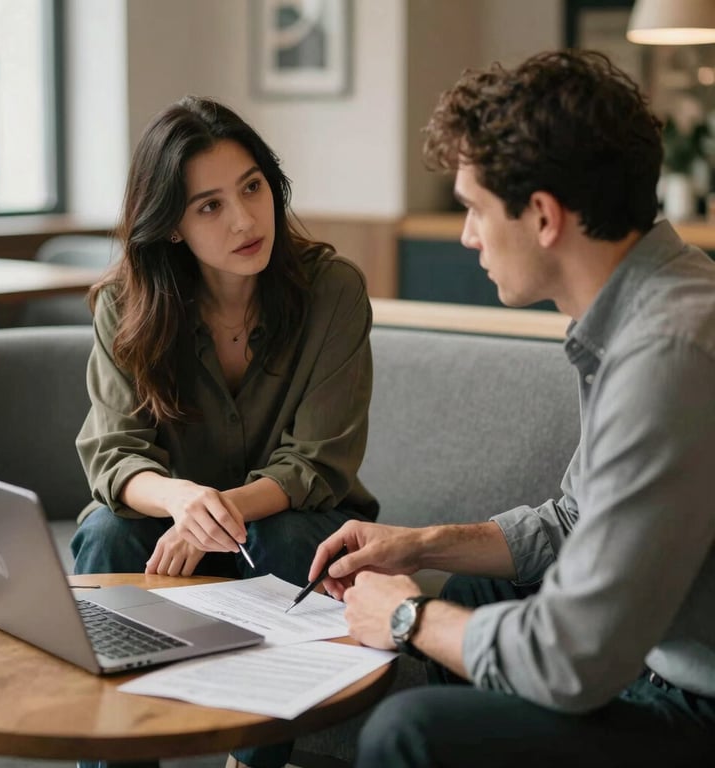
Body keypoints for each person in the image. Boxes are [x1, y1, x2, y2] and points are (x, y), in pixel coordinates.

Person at [308, 50, 715, 768]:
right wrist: (417, 543)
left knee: (406, 733)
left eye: (474, 208)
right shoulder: (661, 295)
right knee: (478, 584)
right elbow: (574, 518)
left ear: (544, 215)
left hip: (696, 702)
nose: (467, 236)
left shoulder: (667, 355)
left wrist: (407, 617)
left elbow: (576, 658)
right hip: (661, 650)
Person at [70, 95, 378, 768]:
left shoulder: (334, 292)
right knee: (103, 531)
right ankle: (116, 753)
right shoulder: (127, 303)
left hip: (281, 529)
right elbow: (114, 453)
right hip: (164, 533)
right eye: (209, 205)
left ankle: (253, 759)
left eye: (252, 187)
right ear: (172, 226)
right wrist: (184, 502)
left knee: (294, 536)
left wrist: (223, 510)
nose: (244, 218)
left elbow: (318, 463)